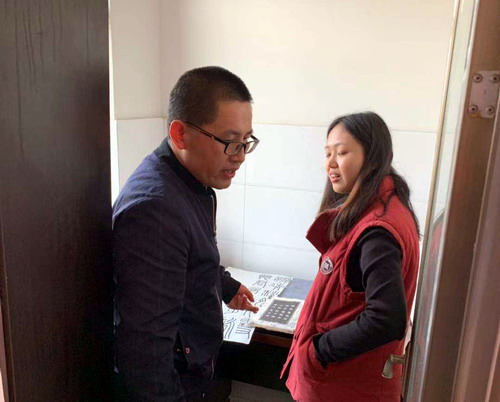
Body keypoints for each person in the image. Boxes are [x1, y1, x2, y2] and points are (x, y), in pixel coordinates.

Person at [113, 66, 260, 401]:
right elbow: (145, 354)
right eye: (230, 142)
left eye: (246, 142)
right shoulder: (155, 212)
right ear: (180, 134)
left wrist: (224, 285)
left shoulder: (192, 182)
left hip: (194, 369)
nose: (240, 157)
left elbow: (188, 256)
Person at [281, 112, 420, 401]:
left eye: (342, 152)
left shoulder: (377, 229)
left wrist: (318, 350)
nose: (330, 164)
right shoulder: (382, 208)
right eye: (327, 153)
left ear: (373, 157)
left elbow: (386, 318)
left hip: (344, 386)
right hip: (347, 381)